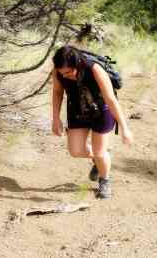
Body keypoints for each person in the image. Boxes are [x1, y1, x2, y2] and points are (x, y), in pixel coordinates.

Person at [51, 45, 134, 199]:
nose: (65, 76)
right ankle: (100, 159)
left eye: (68, 72)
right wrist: (56, 118)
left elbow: (111, 99)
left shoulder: (94, 69)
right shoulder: (58, 71)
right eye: (62, 73)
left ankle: (104, 180)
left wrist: (124, 128)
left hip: (102, 109)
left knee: (99, 152)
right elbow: (57, 92)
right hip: (77, 109)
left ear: (77, 64)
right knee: (76, 151)